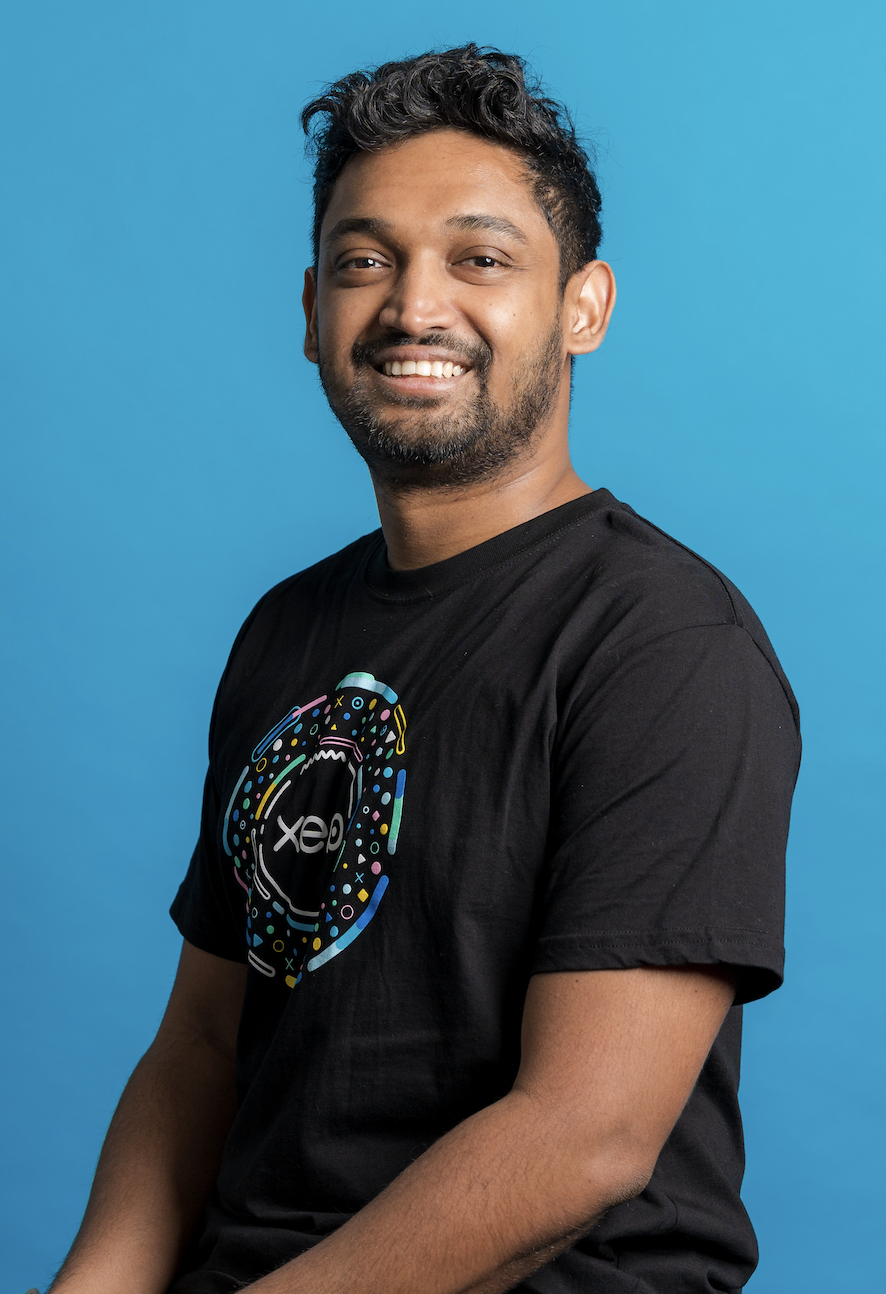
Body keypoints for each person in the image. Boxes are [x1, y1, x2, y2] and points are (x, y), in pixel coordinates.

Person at [47, 44, 800, 1294]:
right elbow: (198, 1045)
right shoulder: (287, 629)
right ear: (309, 313)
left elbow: (585, 1138)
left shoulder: (665, 645)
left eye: (481, 258)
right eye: (365, 260)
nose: (412, 306)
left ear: (584, 306)